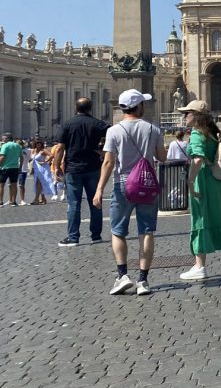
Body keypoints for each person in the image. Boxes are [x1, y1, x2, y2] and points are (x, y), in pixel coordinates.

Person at [94, 89, 166, 296]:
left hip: (123, 185)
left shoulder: (114, 131)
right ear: (140, 106)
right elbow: (161, 157)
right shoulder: (153, 129)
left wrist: (99, 189)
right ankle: (143, 280)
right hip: (147, 185)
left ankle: (122, 275)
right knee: (146, 230)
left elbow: (108, 162)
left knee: (118, 230)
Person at [176, 100, 221, 281]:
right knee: (218, 215)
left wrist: (190, 182)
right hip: (218, 181)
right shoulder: (213, 133)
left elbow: (198, 159)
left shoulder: (196, 134)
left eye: (187, 113)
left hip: (203, 180)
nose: (184, 117)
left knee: (200, 219)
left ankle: (200, 266)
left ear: (196, 116)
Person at [55, 98, 109, 246]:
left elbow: (60, 148)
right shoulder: (98, 124)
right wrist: (101, 150)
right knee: (96, 202)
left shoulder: (67, 124)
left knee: (73, 204)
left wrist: (56, 166)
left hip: (73, 169)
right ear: (90, 108)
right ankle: (96, 235)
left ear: (76, 108)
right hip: (93, 167)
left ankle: (73, 238)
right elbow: (112, 137)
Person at [0, 134, 22, 206]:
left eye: (3, 139)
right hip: (15, 168)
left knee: (1, 185)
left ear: (7, 139)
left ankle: (0, 201)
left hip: (5, 168)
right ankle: (14, 201)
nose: (2, 140)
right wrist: (20, 167)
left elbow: (2, 157)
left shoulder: (5, 146)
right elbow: (21, 158)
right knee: (14, 184)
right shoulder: (18, 146)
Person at [29, 140, 51, 204]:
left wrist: (46, 162)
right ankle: (43, 199)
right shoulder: (33, 150)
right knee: (38, 184)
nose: (38, 145)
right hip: (35, 169)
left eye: (40, 143)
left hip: (42, 169)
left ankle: (36, 199)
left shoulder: (43, 150)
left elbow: (52, 155)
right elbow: (31, 159)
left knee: (38, 183)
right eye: (37, 143)